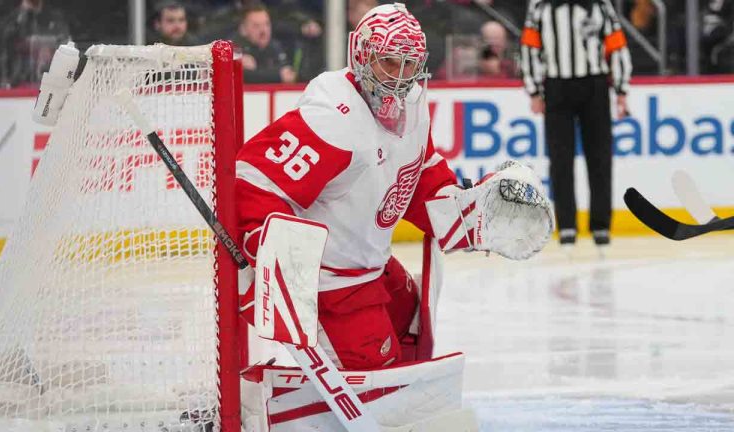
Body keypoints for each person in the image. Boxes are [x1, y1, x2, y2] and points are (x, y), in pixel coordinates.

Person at [235, 3, 553, 370]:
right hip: (330, 283)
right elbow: (255, 180)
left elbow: (419, 173)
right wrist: (267, 265)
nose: (401, 78)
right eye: (389, 62)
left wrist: (461, 213)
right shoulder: (331, 117)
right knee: (377, 368)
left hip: (372, 265)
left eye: (411, 64)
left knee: (412, 323)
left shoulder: (413, 101)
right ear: (362, 55)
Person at [521, 0, 632, 249]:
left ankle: (601, 225)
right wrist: (534, 91)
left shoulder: (600, 4)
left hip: (595, 84)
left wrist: (621, 89)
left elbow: (616, 44)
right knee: (560, 159)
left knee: (600, 156)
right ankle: (567, 226)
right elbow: (529, 47)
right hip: (557, 85)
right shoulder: (540, 6)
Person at [0, 0, 70, 87]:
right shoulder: (14, 18)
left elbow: (66, 43)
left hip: (49, 83)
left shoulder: (55, 17)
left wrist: (49, 48)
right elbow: (5, 43)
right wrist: (23, 14)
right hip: (18, 82)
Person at [233, 4, 296, 83]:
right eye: (256, 26)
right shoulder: (234, 48)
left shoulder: (274, 46)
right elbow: (243, 76)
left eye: (266, 24)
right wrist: (277, 76)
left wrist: (257, 71)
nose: (263, 31)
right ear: (243, 29)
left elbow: (288, 73)